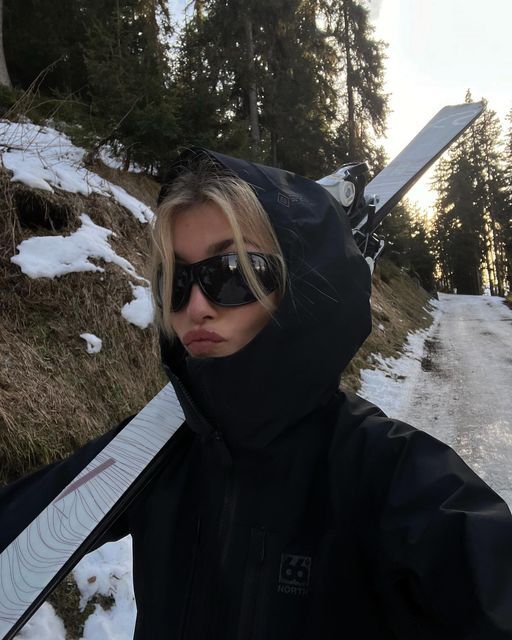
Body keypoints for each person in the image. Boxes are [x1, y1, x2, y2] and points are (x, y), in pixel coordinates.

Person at [1, 148, 512, 639]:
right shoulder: (152, 450)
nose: (195, 306)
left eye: (230, 273)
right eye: (175, 281)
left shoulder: (391, 474)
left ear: (297, 288)